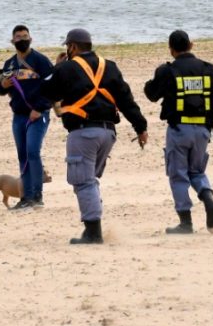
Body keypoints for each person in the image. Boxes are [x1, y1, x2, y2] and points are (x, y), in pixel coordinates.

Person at [40, 28, 148, 245]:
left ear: (72, 47)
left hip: (83, 133)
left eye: (67, 47)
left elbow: (47, 92)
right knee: (90, 180)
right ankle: (94, 222)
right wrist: (141, 127)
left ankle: (92, 231)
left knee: (83, 182)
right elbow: (127, 101)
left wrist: (57, 68)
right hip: (108, 133)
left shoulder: (67, 68)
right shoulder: (110, 66)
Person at [144, 30, 213, 234]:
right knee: (197, 171)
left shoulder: (167, 71)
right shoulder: (210, 70)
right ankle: (208, 198)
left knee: (178, 174)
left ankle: (185, 222)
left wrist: (151, 82)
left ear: (171, 50)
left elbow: (152, 94)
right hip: (203, 131)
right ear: (191, 45)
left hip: (179, 130)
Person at [0, 24, 55, 210]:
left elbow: (53, 89)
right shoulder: (10, 64)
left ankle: (37, 197)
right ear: (13, 41)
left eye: (25, 36)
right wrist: (3, 85)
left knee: (33, 152)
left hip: (38, 115)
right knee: (23, 156)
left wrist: (40, 108)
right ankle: (25, 197)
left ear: (31, 38)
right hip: (19, 116)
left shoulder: (41, 61)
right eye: (18, 37)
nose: (22, 39)